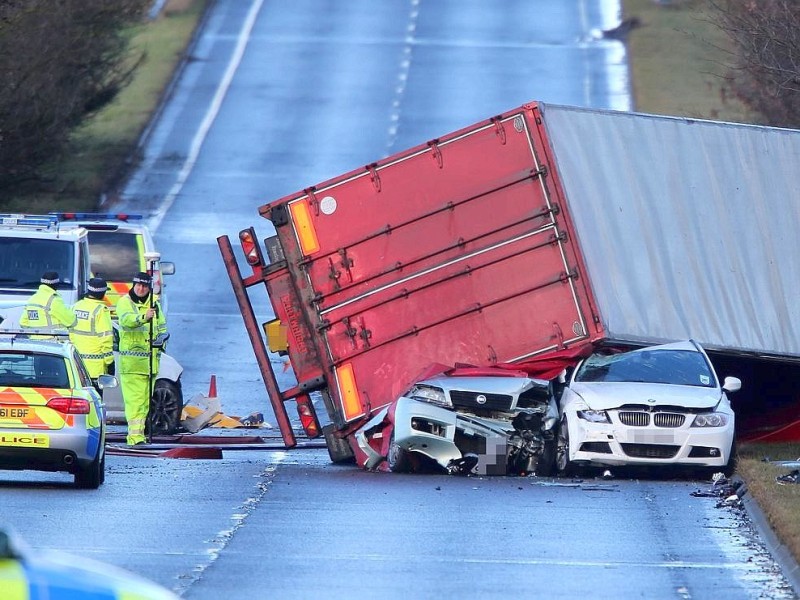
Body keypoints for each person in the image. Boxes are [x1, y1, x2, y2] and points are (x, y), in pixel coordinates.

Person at [116, 272, 167, 446]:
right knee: (135, 403)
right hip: (132, 364)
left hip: (151, 363)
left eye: (144, 286)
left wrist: (161, 343)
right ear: (133, 284)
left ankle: (140, 435)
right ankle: (135, 437)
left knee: (145, 403)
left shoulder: (154, 305)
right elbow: (126, 321)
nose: (140, 288)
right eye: (138, 285)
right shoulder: (125, 302)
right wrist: (144, 317)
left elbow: (161, 327)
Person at [69, 277, 114, 382]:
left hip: (76, 366)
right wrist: (110, 362)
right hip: (95, 369)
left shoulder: (75, 307)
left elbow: (70, 333)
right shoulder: (100, 310)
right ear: (102, 294)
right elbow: (106, 339)